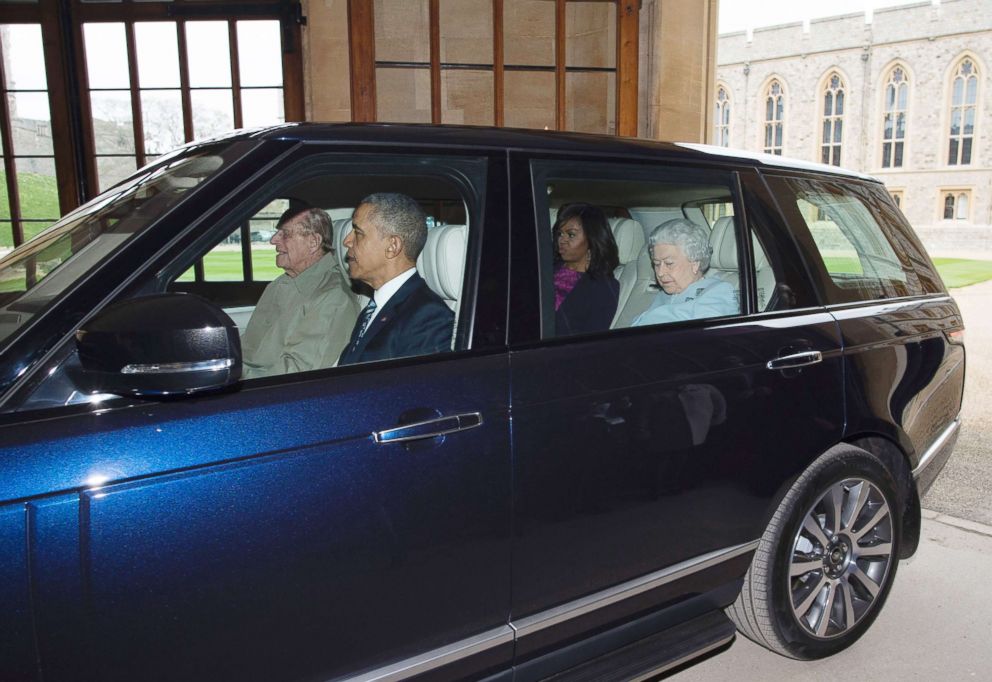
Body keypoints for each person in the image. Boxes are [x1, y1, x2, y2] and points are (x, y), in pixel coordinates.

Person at [241, 207, 359, 379]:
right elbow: (250, 346)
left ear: (313, 242)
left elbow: (295, 377)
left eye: (285, 234)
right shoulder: (280, 283)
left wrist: (232, 375)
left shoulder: (332, 299)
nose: (273, 240)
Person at [337, 192, 454, 365]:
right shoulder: (373, 309)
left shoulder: (428, 318)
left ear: (392, 246)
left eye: (358, 232)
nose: (347, 241)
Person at [632, 218, 737, 326]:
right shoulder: (664, 295)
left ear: (695, 263)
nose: (660, 273)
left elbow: (711, 337)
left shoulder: (718, 292)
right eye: (657, 264)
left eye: (669, 263)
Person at [552, 203, 620, 335]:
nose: (562, 240)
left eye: (571, 235)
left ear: (592, 238)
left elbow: (589, 342)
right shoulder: (546, 269)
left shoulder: (603, 287)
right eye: (560, 234)